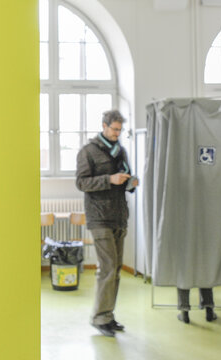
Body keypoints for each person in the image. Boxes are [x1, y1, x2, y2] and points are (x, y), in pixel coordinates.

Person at [75, 110, 138, 337]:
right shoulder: (88, 151)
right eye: (114, 129)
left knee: (116, 270)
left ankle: (108, 316)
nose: (117, 133)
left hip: (119, 215)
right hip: (99, 217)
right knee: (108, 268)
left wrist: (131, 182)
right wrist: (109, 179)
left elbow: (126, 179)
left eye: (120, 130)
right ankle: (99, 317)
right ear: (104, 126)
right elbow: (81, 183)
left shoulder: (120, 151)